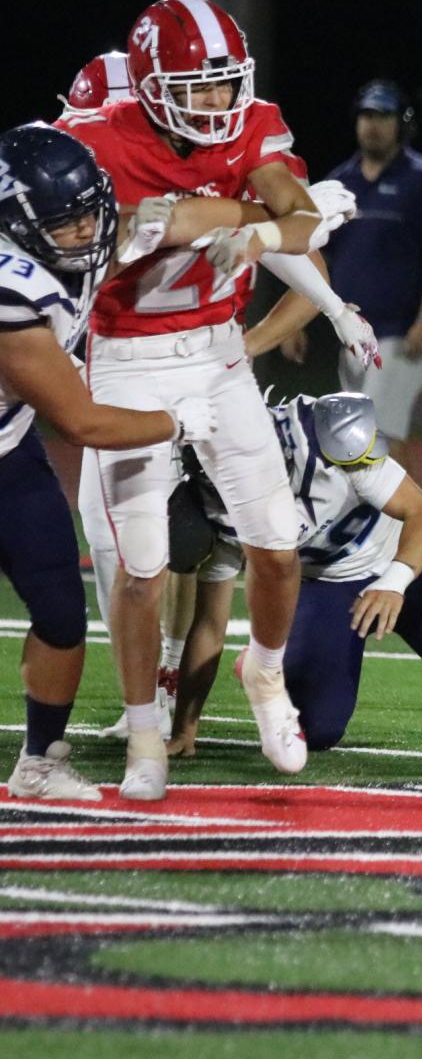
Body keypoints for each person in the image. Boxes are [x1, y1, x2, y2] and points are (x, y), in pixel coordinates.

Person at [58, 0, 379, 799]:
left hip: (217, 354)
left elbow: (301, 217)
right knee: (139, 567)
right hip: (125, 355)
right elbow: (151, 225)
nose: (216, 102)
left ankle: (263, 675)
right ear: (151, 83)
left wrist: (272, 230)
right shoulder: (98, 135)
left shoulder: (252, 121)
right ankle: (143, 733)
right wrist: (249, 215)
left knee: (275, 543)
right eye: (198, 86)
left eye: (225, 83)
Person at [166, 393, 422, 754]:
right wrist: (186, 726)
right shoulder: (213, 507)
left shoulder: (324, 436)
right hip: (325, 587)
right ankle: (272, 660)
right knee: (320, 729)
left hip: (400, 565)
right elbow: (209, 625)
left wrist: (395, 582)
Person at [0, 124, 214, 800]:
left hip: (7, 447)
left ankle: (39, 764)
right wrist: (177, 423)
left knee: (61, 613)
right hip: (24, 437)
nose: (88, 230)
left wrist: (277, 218)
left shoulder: (59, 247)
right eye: (70, 221)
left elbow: (147, 229)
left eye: (93, 210)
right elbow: (83, 422)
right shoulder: (9, 290)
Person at [301, 80, 422, 459]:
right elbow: (314, 254)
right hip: (354, 331)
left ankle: (396, 518)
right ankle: (393, 516)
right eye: (367, 115)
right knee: (360, 438)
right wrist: (299, 321)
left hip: (400, 333)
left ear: (401, 123)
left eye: (383, 116)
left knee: (376, 435)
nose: (373, 125)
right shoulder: (342, 180)